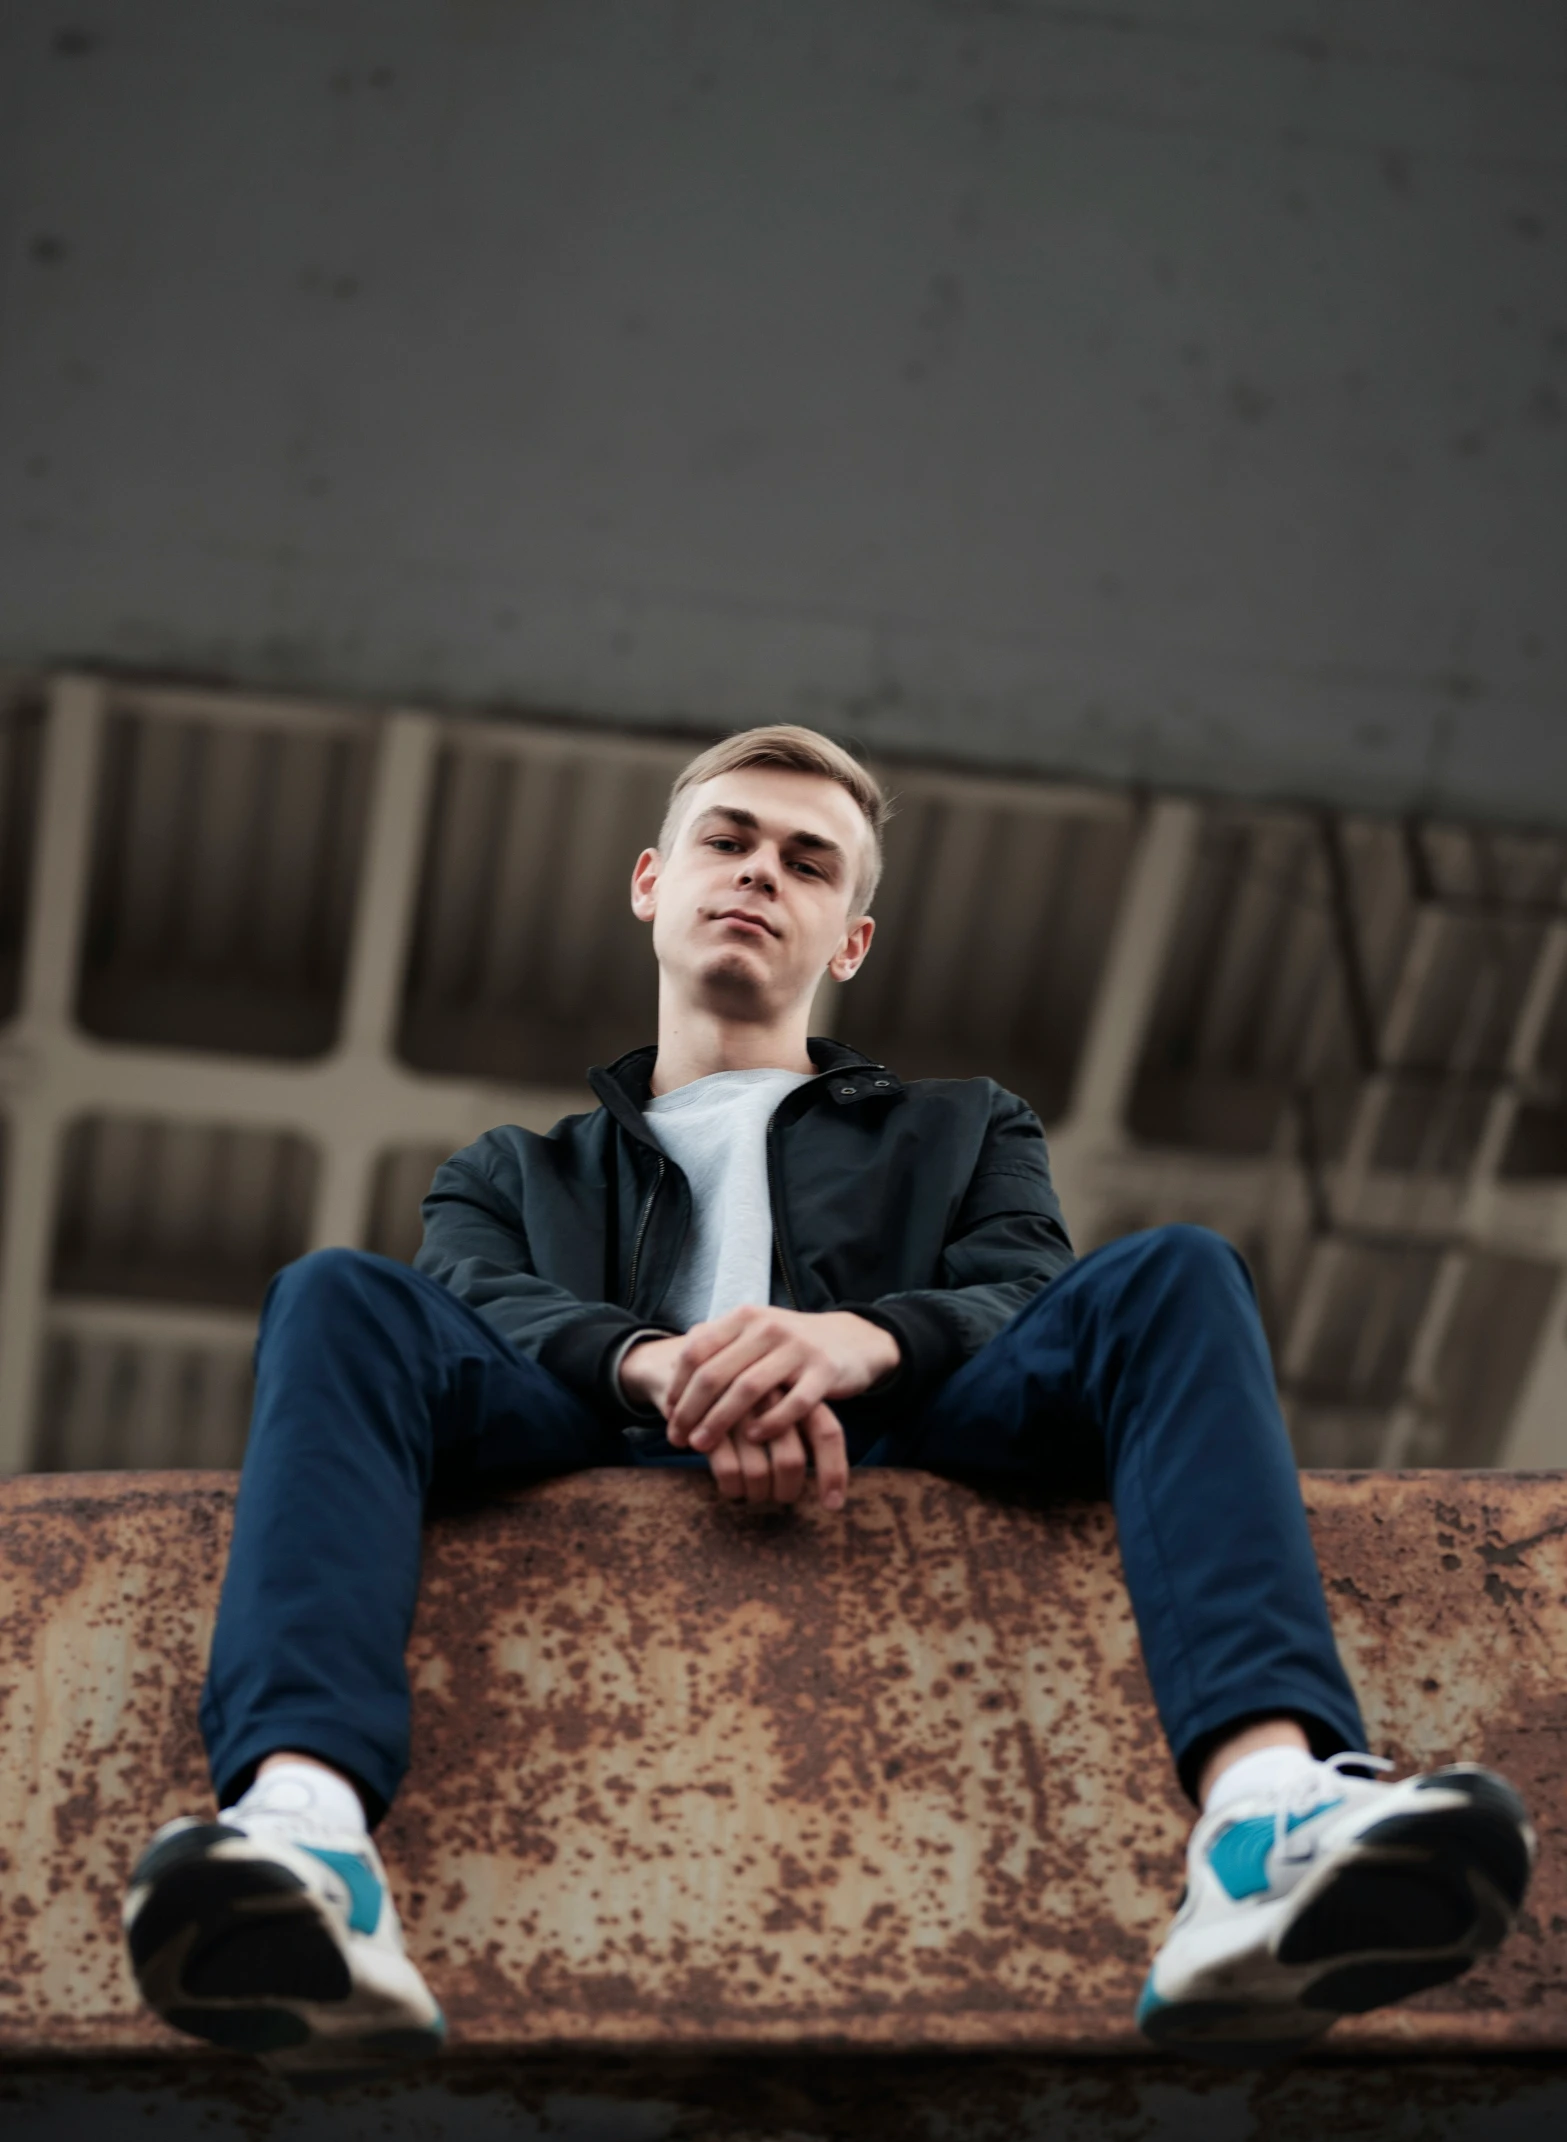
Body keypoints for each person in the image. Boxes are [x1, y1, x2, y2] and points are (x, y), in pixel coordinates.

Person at [123, 725, 1534, 2072]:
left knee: (1175, 1273)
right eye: (727, 840)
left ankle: (1265, 1818)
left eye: (807, 863)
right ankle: (304, 1839)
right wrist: (658, 1364)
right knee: (335, 1294)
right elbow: (477, 1297)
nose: (758, 874)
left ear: (848, 939)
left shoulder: (967, 1124)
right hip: (589, 1430)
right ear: (650, 881)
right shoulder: (510, 1169)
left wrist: (858, 1342)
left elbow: (1019, 1291)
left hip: (909, 1426)